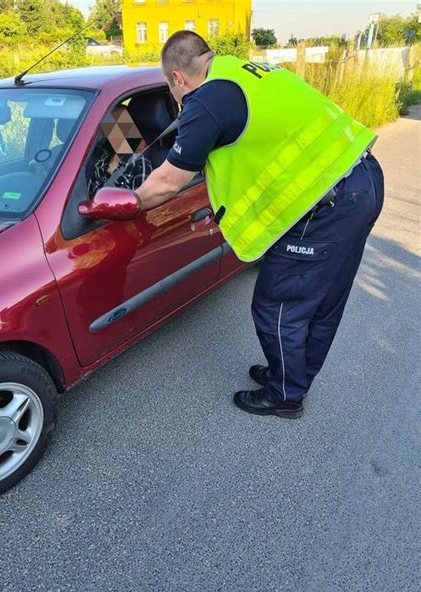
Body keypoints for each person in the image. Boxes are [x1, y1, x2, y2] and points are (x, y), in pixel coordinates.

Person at [134, 31, 384, 419]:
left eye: (172, 91)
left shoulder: (206, 100)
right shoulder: (244, 69)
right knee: (323, 300)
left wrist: (131, 202)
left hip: (326, 205)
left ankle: (285, 394)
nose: (178, 100)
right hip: (361, 179)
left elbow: (167, 181)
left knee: (277, 306)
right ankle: (289, 375)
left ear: (178, 79)